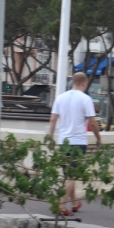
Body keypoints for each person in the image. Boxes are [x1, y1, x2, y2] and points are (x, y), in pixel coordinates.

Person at [48, 71, 102, 216]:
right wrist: (98, 138)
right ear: (84, 83)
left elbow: (53, 119)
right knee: (73, 175)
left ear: (73, 81)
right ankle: (61, 204)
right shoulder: (85, 99)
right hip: (78, 142)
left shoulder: (60, 98)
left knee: (68, 174)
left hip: (63, 141)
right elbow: (92, 122)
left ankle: (74, 203)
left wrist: (50, 138)